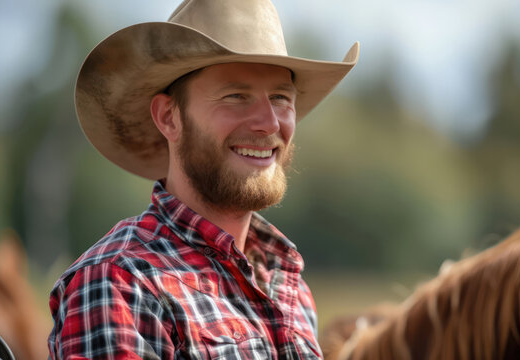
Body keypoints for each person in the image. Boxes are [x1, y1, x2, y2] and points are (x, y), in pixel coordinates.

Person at [47, 0, 358, 358]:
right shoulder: (120, 281)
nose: (270, 123)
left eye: (280, 98)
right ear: (168, 117)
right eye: (236, 96)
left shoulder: (288, 285)